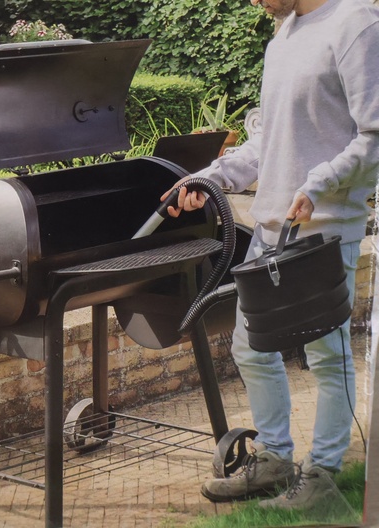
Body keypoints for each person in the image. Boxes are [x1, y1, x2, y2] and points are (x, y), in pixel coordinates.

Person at [161, 0, 379, 510]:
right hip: (272, 228)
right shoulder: (283, 37)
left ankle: (323, 477)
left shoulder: (356, 24)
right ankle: (276, 460)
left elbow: (374, 136)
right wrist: (210, 178)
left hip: (325, 231)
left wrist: (319, 182)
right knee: (252, 348)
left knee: (327, 358)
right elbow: (268, 141)